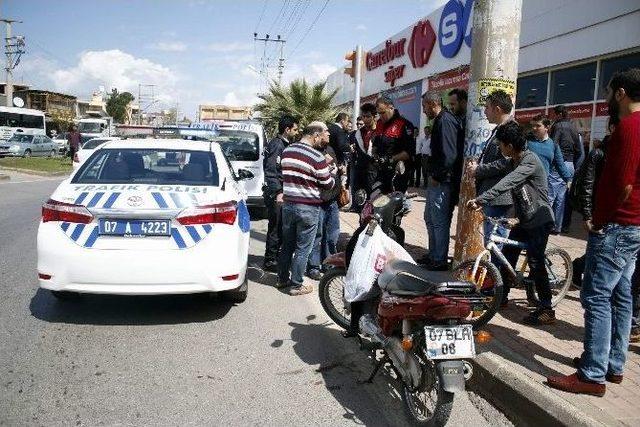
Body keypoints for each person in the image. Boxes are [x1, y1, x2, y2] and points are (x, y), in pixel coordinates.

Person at [547, 68, 640, 397]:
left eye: (608, 91)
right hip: (631, 227)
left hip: (617, 226)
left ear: (620, 94)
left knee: (596, 297)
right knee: (620, 295)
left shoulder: (630, 127)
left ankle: (592, 374)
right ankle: (612, 364)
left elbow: (622, 185)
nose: (604, 98)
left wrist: (598, 221)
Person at [468, 121, 556, 324]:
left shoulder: (528, 161)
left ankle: (546, 309)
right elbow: (495, 168)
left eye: (500, 144)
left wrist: (482, 199)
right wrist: (477, 170)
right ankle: (501, 297)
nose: (498, 147)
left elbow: (508, 182)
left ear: (509, 145)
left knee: (535, 262)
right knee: (508, 257)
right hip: (525, 218)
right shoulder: (513, 160)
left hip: (539, 219)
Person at [278, 122, 335, 296]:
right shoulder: (317, 157)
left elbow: (285, 175)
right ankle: (296, 285)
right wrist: (330, 172)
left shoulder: (287, 151)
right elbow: (328, 184)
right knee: (303, 248)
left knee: (287, 244)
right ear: (315, 135)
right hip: (308, 207)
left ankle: (282, 279)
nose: (323, 140)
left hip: (288, 205)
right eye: (322, 136)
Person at [570, 117, 617, 287]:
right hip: (599, 211)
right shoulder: (598, 154)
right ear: (612, 128)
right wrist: (588, 215)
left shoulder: (624, 153)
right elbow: (587, 185)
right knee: (599, 250)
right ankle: (579, 267)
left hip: (618, 212)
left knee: (608, 251)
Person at [420, 91, 463, 270]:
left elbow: (450, 155)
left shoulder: (445, 121)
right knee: (430, 218)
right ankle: (433, 255)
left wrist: (437, 176)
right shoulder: (440, 120)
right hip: (437, 179)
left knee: (439, 221)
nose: (423, 111)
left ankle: (439, 260)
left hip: (443, 181)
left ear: (432, 104)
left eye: (424, 107)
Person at [476, 90, 514, 244]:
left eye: (487, 108)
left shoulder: (510, 130)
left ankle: (496, 268)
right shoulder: (499, 129)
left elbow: (507, 162)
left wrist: (479, 169)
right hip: (492, 194)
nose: (484, 112)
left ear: (497, 109)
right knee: (491, 242)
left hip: (500, 198)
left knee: (496, 242)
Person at [262, 115, 299, 272]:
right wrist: (278, 191)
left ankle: (277, 257)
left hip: (284, 191)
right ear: (287, 129)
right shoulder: (277, 145)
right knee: (276, 227)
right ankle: (270, 260)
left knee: (281, 227)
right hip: (278, 193)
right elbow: (271, 170)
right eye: (295, 129)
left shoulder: (285, 144)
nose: (297, 132)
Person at [307, 142, 345, 280]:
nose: (329, 134)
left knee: (332, 235)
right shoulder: (311, 152)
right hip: (318, 201)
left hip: (333, 201)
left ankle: (329, 264)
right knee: (317, 235)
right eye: (326, 132)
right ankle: (313, 266)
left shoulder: (330, 149)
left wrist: (339, 169)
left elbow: (336, 169)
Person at [549, 105, 584, 234]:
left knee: (550, 196)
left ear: (558, 114)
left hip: (559, 164)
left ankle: (547, 225)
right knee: (562, 198)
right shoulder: (574, 127)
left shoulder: (558, 126)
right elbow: (579, 150)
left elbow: (553, 146)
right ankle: (558, 227)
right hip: (570, 165)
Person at [371, 96, 414, 195]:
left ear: (391, 108)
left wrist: (390, 159)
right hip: (381, 172)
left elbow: (408, 152)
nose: (381, 116)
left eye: (383, 112)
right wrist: (374, 153)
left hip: (397, 173)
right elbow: (376, 144)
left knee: (392, 206)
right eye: (379, 113)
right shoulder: (379, 124)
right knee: (374, 198)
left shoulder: (404, 124)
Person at [527, 114, 572, 188]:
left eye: (538, 126)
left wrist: (568, 179)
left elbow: (560, 164)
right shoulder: (527, 141)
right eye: (533, 126)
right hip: (526, 183)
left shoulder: (553, 145)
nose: (534, 128)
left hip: (542, 185)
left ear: (547, 127)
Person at [349, 103, 377, 203]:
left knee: (374, 202)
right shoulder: (358, 133)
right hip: (361, 171)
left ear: (374, 116)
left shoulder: (380, 132)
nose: (365, 119)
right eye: (363, 117)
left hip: (375, 172)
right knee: (360, 203)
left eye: (368, 116)